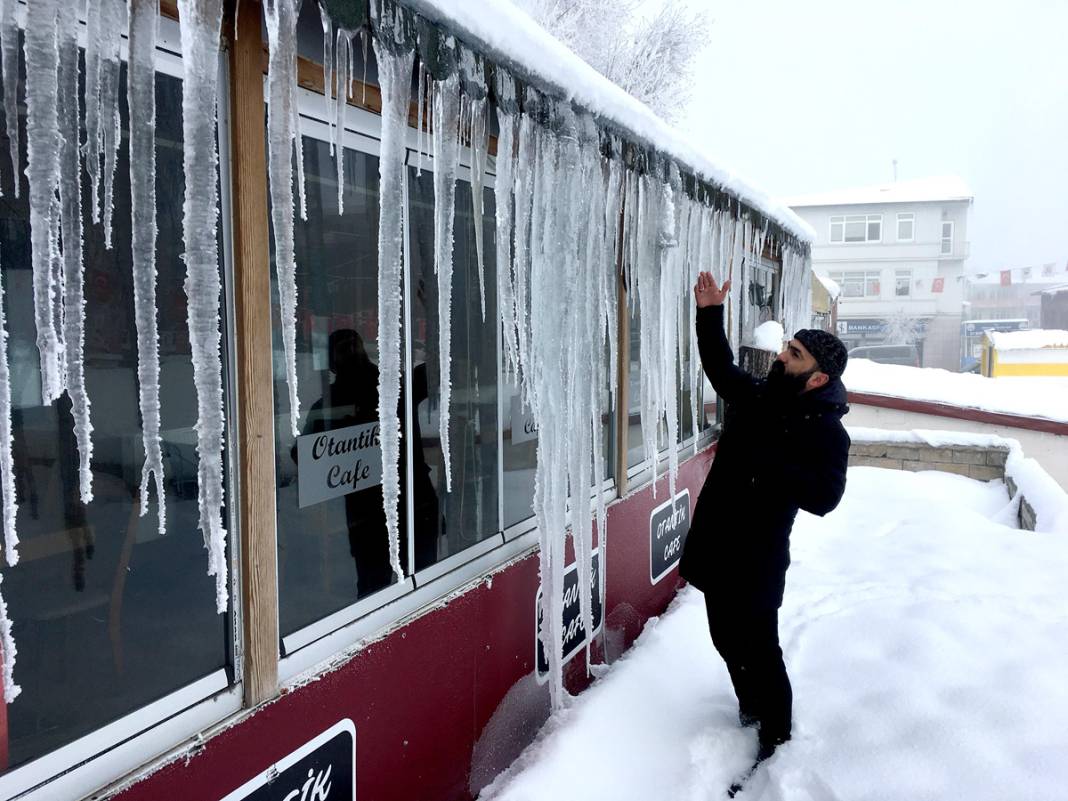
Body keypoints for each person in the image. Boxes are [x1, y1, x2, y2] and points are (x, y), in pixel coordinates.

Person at [679, 271, 850, 767]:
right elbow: (720, 367)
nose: (781, 355)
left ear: (818, 378)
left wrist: (765, 464)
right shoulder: (761, 397)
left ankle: (775, 741)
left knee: (762, 652)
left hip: (757, 560)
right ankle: (749, 711)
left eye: (794, 354)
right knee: (724, 640)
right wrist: (710, 312)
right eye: (787, 347)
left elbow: (825, 496)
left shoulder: (825, 432)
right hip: (717, 543)